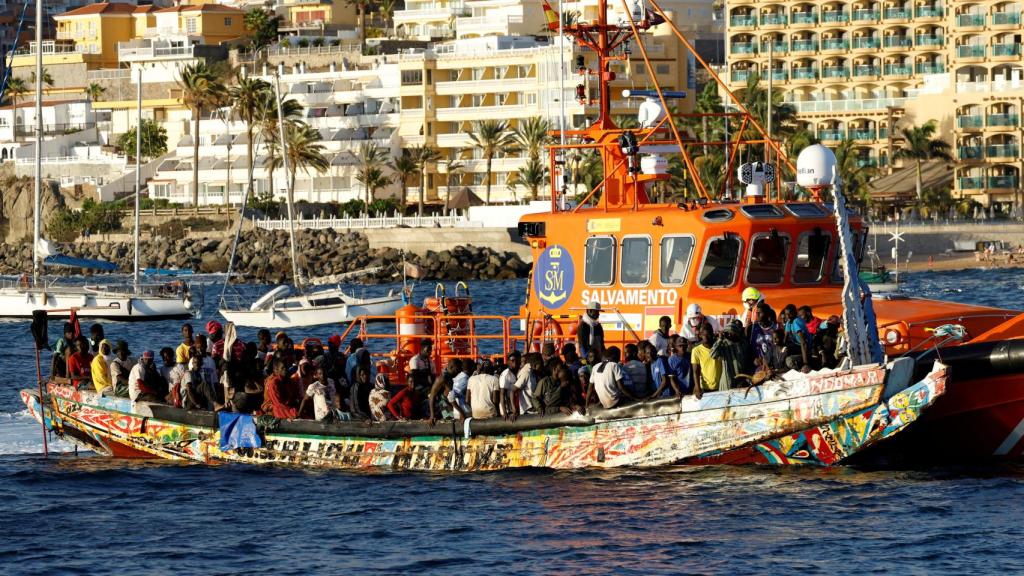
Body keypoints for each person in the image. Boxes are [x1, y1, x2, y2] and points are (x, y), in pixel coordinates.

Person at [711, 321, 752, 389]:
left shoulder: (743, 344)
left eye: (731, 333)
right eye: (727, 333)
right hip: (727, 383)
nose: (729, 335)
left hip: (742, 382)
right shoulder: (723, 345)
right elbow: (713, 354)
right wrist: (720, 339)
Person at [690, 324, 722, 398]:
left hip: (721, 386)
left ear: (712, 334)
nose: (706, 336)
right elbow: (696, 371)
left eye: (708, 334)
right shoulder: (696, 350)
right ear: (700, 335)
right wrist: (698, 388)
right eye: (704, 334)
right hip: (704, 388)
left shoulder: (719, 347)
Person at [428, 358, 461, 424]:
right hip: (446, 407)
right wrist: (432, 415)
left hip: (452, 405)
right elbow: (432, 396)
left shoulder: (451, 376)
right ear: (452, 367)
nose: (459, 371)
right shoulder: (442, 378)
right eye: (458, 369)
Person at [781, 304, 812, 372]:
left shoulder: (797, 322)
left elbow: (803, 343)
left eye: (790, 314)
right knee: (783, 352)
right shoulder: (789, 322)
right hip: (797, 346)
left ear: (795, 313)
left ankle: (803, 368)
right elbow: (785, 339)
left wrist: (805, 363)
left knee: (790, 360)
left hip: (806, 348)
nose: (788, 316)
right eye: (786, 314)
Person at [498, 351, 522, 419]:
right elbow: (502, 394)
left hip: (517, 406)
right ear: (508, 362)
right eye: (512, 360)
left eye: (517, 360)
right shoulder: (505, 375)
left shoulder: (520, 372)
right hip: (509, 409)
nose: (515, 362)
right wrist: (504, 412)